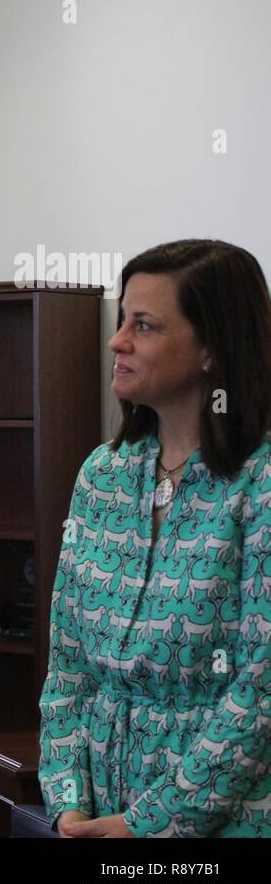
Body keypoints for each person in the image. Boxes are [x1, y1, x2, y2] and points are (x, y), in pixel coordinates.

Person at [39, 238, 271, 837]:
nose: (117, 342)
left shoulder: (260, 483)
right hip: (95, 817)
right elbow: (67, 667)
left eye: (143, 326)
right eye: (123, 320)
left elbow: (260, 692)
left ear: (212, 350)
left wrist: (147, 825)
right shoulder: (103, 475)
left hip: (226, 818)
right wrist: (67, 804)